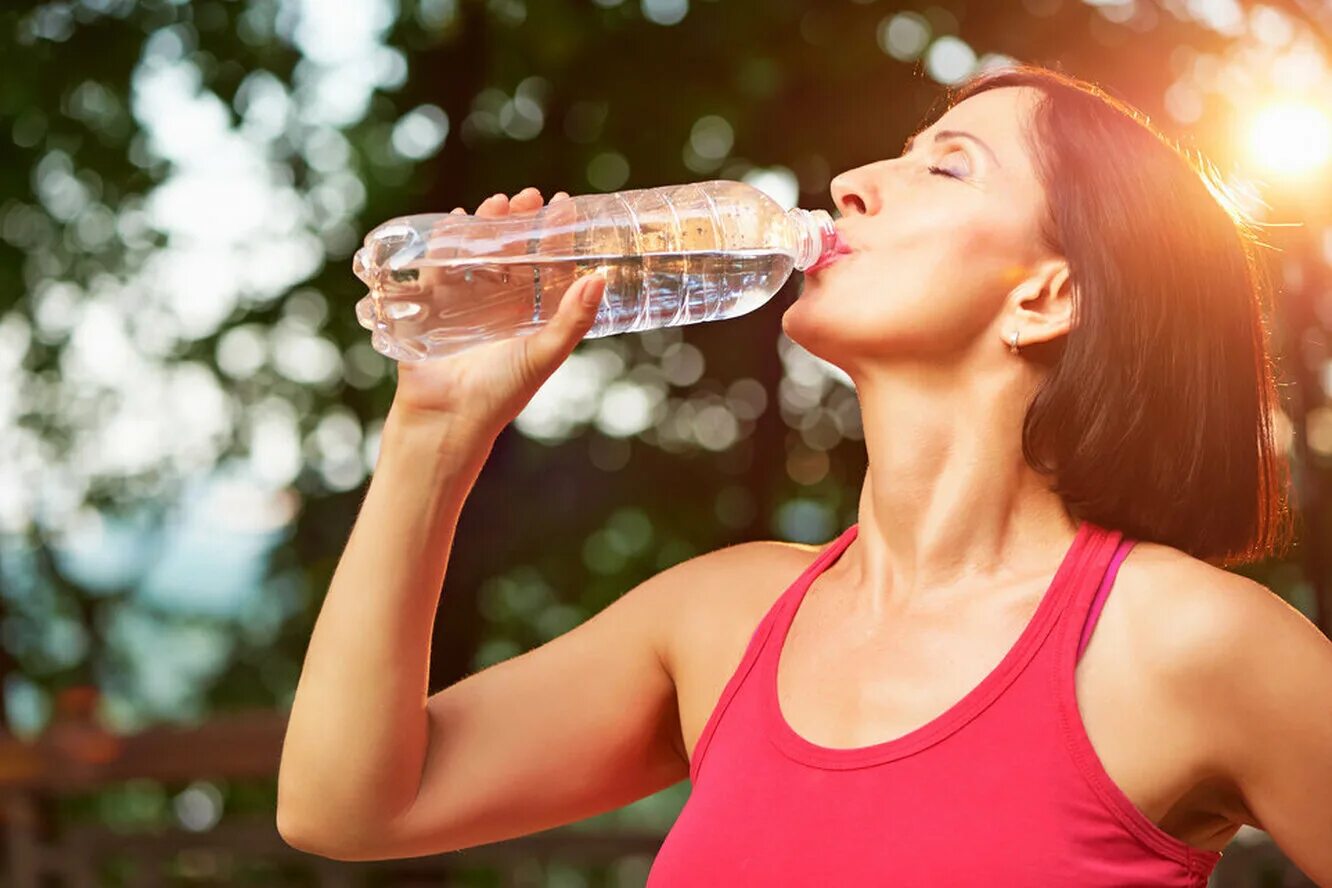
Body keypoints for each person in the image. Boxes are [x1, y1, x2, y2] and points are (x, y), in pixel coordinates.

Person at [275, 64, 1332, 885]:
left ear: (1046, 297)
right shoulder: (721, 618)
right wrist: (434, 433)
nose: (853, 185)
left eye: (948, 165)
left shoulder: (1189, 644)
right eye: (898, 152)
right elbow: (349, 806)